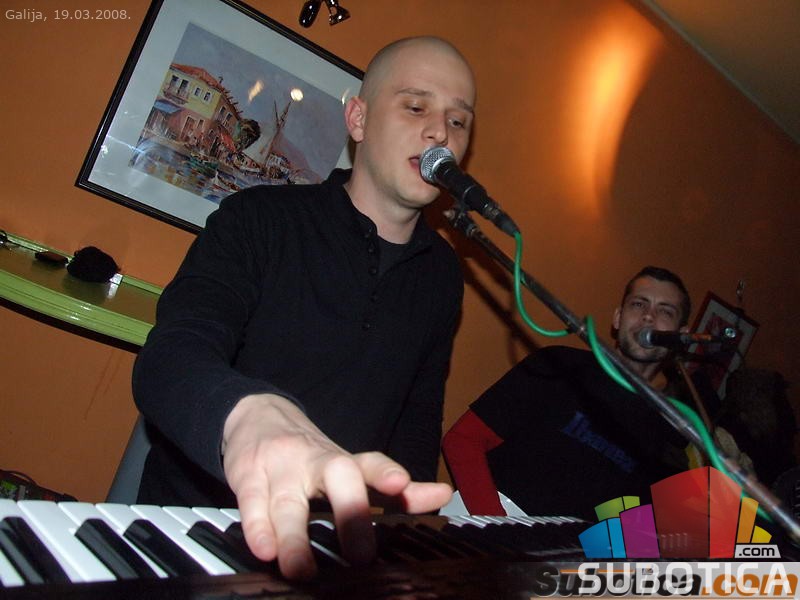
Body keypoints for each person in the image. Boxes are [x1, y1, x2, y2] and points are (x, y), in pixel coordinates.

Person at [132, 36, 477, 580]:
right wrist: (247, 415)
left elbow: (417, 420)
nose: (441, 132)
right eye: (416, 107)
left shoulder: (442, 275)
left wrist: (403, 537)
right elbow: (171, 356)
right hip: (193, 534)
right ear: (358, 119)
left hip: (331, 552)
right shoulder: (256, 218)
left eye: (458, 121)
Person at [442, 266, 706, 520]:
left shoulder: (664, 427)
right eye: (638, 304)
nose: (648, 316)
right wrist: (498, 526)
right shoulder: (559, 365)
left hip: (561, 547)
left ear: (681, 336)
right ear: (618, 317)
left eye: (665, 311)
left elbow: (627, 517)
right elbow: (462, 440)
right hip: (491, 525)